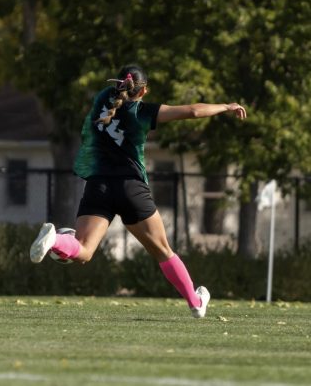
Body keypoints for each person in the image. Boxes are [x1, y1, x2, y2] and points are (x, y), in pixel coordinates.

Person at [30, 64, 246, 318]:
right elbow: (193, 111)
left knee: (84, 250)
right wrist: (225, 106)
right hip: (131, 188)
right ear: (143, 91)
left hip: (98, 186)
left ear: (117, 85)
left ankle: (55, 239)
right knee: (163, 251)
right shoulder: (141, 112)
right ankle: (196, 303)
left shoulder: (102, 100)